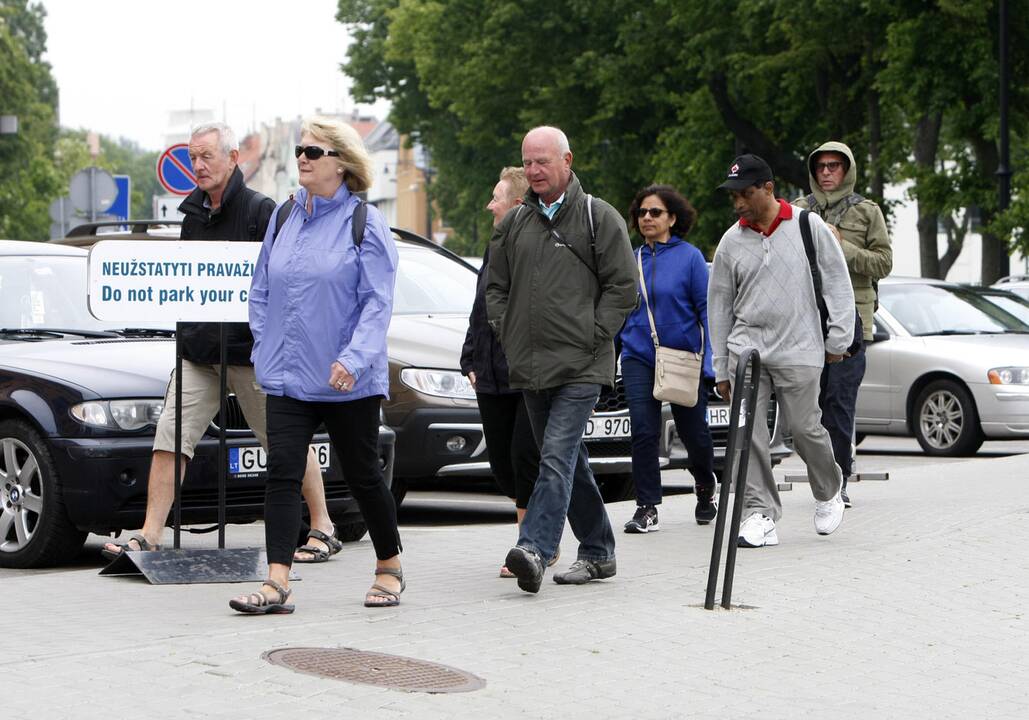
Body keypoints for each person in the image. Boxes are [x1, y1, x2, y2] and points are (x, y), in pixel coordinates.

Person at [101, 123, 333, 564]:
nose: (198, 165)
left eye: (206, 156)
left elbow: (285, 278)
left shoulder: (259, 210)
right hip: (198, 353)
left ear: (232, 158)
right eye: (192, 157)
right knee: (170, 437)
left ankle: (322, 525)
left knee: (283, 442)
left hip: (250, 354)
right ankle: (150, 533)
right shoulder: (192, 214)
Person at [229, 116, 400, 614]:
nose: (302, 157)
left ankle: (389, 566)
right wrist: (264, 346)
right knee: (282, 474)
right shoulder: (284, 218)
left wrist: (353, 358)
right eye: (301, 149)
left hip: (348, 379)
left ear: (342, 164)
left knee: (364, 474)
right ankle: (277, 580)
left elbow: (377, 303)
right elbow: (261, 290)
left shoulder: (364, 223)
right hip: (287, 377)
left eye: (314, 151)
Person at [486, 126, 637, 593]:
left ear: (566, 161)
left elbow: (623, 287)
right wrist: (507, 333)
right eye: (527, 162)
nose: (533, 171)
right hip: (531, 366)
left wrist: (594, 335)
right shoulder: (515, 223)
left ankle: (533, 547)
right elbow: (496, 288)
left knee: (554, 455)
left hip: (581, 365)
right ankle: (599, 552)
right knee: (570, 462)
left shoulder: (599, 217)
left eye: (542, 162)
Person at [707, 153, 853, 548]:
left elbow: (838, 282)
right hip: (747, 351)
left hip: (800, 345)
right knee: (747, 433)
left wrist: (839, 338)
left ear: (768, 188)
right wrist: (721, 365)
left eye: (745, 193)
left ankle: (828, 487)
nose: (738, 202)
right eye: (733, 195)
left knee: (805, 429)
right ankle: (760, 513)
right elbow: (719, 306)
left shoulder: (809, 226)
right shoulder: (731, 241)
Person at [460, 167, 550, 578]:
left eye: (496, 197)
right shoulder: (494, 246)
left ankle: (530, 546)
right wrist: (469, 359)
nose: (488, 205)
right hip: (490, 377)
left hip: (526, 377)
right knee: (502, 465)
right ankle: (533, 538)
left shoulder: (536, 250)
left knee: (524, 458)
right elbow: (480, 309)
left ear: (517, 205)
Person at [795, 142, 892, 508]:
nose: (827, 172)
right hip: (806, 320)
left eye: (834, 165)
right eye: (821, 166)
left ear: (847, 169)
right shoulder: (799, 211)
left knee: (839, 401)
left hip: (852, 320)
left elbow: (883, 263)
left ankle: (838, 480)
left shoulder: (867, 212)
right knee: (809, 405)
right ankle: (822, 474)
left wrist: (841, 247)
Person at [618, 185, 718, 533]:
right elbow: (619, 310)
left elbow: (707, 310)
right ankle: (647, 507)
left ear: (672, 218)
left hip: (683, 358)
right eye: (642, 213)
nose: (647, 218)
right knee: (643, 432)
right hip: (638, 356)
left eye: (655, 212)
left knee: (695, 436)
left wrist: (711, 364)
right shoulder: (631, 260)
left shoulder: (690, 258)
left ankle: (705, 485)